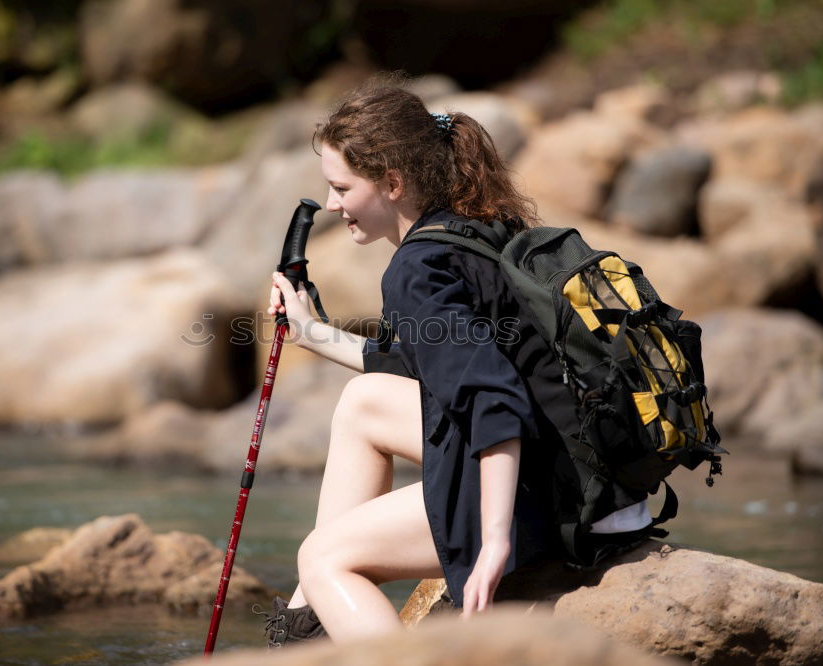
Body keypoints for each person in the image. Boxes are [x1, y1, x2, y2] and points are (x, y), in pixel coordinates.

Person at [259, 78, 652, 646]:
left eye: (341, 187)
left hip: (560, 498)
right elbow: (422, 364)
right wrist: (311, 333)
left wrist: (493, 545)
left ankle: (342, 625)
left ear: (392, 182)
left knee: (321, 557)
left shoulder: (416, 271)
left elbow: (494, 402)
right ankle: (307, 624)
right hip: (602, 477)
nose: (331, 205)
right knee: (363, 403)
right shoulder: (471, 226)